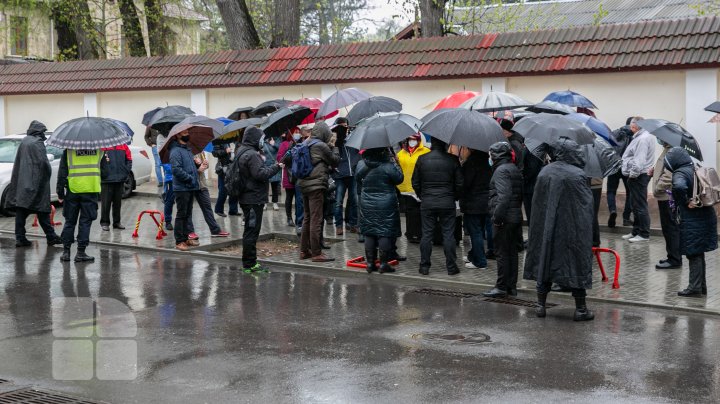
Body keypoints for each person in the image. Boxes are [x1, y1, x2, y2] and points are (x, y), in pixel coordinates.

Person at [524, 138, 595, 321]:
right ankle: (580, 309)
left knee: (544, 260)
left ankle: (540, 306)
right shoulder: (578, 174)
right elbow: (586, 206)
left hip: (546, 227)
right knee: (576, 262)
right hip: (573, 230)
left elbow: (537, 203)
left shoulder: (544, 172)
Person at [664, 147, 718, 297]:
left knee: (693, 253)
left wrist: (685, 201)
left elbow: (679, 186)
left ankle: (694, 288)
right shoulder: (694, 168)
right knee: (698, 252)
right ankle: (701, 287)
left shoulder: (680, 173)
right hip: (705, 216)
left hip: (692, 220)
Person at [6, 121, 63, 247]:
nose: (43, 134)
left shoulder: (25, 141)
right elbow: (43, 163)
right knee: (42, 210)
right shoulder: (37, 143)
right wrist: (47, 175)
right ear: (39, 131)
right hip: (36, 184)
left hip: (23, 183)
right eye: (43, 131)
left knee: (21, 212)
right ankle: (51, 236)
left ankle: (20, 238)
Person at [412, 137, 463, 276]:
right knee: (448, 235)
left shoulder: (422, 159)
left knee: (427, 234)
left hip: (427, 202)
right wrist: (454, 197)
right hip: (447, 202)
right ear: (445, 144)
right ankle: (451, 267)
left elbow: (415, 182)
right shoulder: (453, 159)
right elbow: (459, 183)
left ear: (431, 144)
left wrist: (422, 196)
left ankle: (424, 266)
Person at [235, 126, 283, 272]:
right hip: (253, 199)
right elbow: (260, 174)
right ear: (254, 138)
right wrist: (276, 166)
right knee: (251, 232)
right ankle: (250, 264)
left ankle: (249, 262)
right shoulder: (251, 154)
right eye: (261, 139)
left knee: (249, 231)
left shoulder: (242, 151)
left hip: (247, 197)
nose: (262, 141)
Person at [483, 142, 523, 297]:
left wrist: (497, 218)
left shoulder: (501, 171)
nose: (489, 157)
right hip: (515, 217)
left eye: (490, 154)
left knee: (502, 253)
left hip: (504, 219)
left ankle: (501, 287)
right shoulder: (513, 169)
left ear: (496, 155)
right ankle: (511, 287)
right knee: (512, 253)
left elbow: (504, 196)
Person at [356, 147, 403, 273]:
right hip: (386, 203)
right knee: (384, 231)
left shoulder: (361, 164)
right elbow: (399, 179)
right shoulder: (388, 165)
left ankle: (370, 264)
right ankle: (383, 264)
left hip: (367, 202)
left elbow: (357, 180)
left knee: (369, 232)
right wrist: (396, 163)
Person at [298, 122, 340, 262]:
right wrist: (334, 146)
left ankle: (304, 251)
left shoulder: (305, 143)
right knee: (316, 219)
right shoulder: (320, 146)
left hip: (304, 185)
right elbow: (335, 161)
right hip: (316, 186)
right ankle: (316, 253)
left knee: (307, 218)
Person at [57, 146, 103, 262]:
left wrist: (60, 192)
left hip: (73, 190)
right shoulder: (99, 150)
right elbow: (105, 170)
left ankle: (66, 252)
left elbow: (62, 172)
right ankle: (81, 252)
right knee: (85, 222)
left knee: (70, 221)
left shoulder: (69, 151)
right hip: (90, 190)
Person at [621, 116, 655, 242]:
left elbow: (639, 160)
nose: (630, 127)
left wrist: (632, 175)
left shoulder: (642, 139)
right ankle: (636, 231)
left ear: (634, 126)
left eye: (631, 125)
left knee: (640, 206)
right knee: (635, 205)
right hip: (639, 175)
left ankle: (644, 234)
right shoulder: (643, 136)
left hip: (639, 175)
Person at [460, 149, 492, 270]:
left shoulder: (471, 163)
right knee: (480, 231)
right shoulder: (488, 162)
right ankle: (474, 255)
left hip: (473, 203)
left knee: (476, 232)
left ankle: (480, 261)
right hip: (486, 202)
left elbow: (466, 183)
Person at [652, 141, 682, 269]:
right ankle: (672, 256)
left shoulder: (672, 151)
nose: (659, 138)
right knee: (668, 228)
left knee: (670, 228)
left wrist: (658, 187)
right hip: (664, 195)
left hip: (667, 195)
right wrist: (653, 172)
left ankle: (674, 259)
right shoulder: (668, 149)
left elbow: (669, 176)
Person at [169, 131, 200, 251]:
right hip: (182, 188)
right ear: (178, 135)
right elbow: (176, 170)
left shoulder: (187, 149)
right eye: (185, 132)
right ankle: (179, 241)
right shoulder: (175, 151)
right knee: (181, 214)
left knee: (188, 214)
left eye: (188, 131)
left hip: (190, 186)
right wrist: (190, 178)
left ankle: (187, 237)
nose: (188, 133)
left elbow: (189, 166)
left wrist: (197, 165)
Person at [396, 133, 430, 243]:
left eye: (414, 139)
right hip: (405, 189)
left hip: (420, 188)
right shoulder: (401, 153)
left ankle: (420, 233)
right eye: (410, 139)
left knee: (420, 212)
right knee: (409, 213)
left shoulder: (425, 152)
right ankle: (411, 233)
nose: (412, 141)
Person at [332, 118, 360, 236]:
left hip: (353, 174)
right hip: (339, 175)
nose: (345, 128)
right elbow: (332, 153)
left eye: (346, 125)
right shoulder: (335, 140)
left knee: (354, 201)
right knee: (338, 202)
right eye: (342, 126)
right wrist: (339, 137)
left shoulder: (353, 138)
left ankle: (353, 224)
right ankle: (339, 225)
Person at [192, 153, 229, 238]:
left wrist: (205, 164)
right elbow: (182, 170)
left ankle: (215, 230)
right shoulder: (183, 151)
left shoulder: (198, 150)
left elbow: (204, 167)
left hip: (201, 184)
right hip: (189, 185)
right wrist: (197, 170)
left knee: (207, 207)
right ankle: (189, 233)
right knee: (187, 211)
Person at [607, 119, 634, 227]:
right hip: (626, 166)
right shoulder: (633, 135)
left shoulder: (614, 133)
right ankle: (626, 218)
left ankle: (612, 210)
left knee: (611, 191)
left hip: (613, 165)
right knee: (630, 192)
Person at [99, 143, 132, 231]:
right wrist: (102, 173)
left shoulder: (123, 146)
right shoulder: (102, 146)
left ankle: (117, 222)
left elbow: (129, 159)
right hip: (106, 180)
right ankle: (105, 223)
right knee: (106, 203)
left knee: (118, 203)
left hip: (120, 179)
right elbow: (97, 161)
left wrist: (125, 172)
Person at [277, 130, 300, 226]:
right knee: (289, 197)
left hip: (300, 175)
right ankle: (289, 218)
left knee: (299, 199)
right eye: (295, 131)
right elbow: (280, 159)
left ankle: (299, 217)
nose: (297, 133)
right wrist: (289, 151)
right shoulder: (284, 144)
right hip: (289, 175)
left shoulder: (302, 143)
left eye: (298, 131)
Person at [212, 141, 239, 217]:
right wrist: (225, 151)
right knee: (223, 190)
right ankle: (219, 210)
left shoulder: (230, 142)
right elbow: (214, 153)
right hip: (223, 170)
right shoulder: (219, 141)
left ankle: (233, 210)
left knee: (234, 189)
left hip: (232, 168)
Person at [262, 136, 281, 211]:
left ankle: (275, 203)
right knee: (265, 186)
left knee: (275, 186)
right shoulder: (262, 141)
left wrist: (274, 144)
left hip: (274, 166)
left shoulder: (277, 139)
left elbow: (281, 149)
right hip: (265, 166)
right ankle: (265, 203)